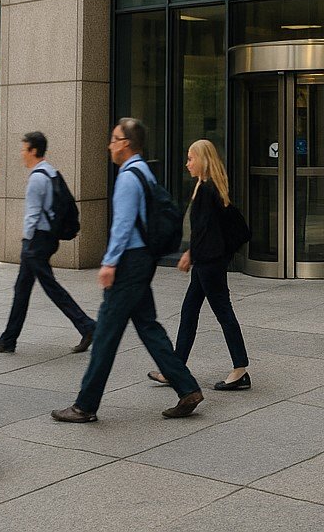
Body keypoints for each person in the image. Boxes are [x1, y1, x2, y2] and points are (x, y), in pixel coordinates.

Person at [52, 118, 203, 423]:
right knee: (148, 326)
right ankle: (187, 388)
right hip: (142, 259)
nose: (110, 144)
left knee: (106, 333)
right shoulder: (144, 171)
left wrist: (109, 263)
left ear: (125, 144)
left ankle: (85, 405)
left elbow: (122, 225)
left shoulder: (127, 177)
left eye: (114, 138)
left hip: (129, 262)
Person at [0, 132, 96, 355]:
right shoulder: (50, 171)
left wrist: (26, 242)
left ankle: (88, 326)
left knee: (51, 288)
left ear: (33, 150)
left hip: (37, 242)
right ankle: (8, 339)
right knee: (22, 289)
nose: (22, 154)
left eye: (24, 149)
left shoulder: (36, 178)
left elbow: (32, 216)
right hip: (48, 238)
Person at [149, 139, 249, 392]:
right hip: (207, 262)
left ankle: (240, 370)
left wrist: (191, 255)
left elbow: (205, 232)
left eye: (191, 158)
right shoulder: (207, 186)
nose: (187, 164)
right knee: (189, 312)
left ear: (202, 160)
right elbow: (211, 230)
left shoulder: (206, 189)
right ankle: (175, 369)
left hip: (208, 264)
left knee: (222, 313)